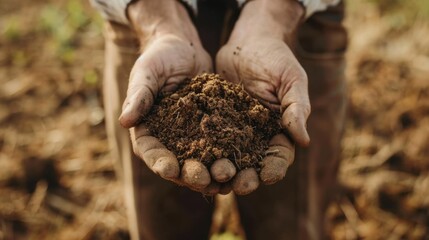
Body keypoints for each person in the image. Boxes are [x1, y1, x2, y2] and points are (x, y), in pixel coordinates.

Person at [91, 0, 347, 239]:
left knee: (290, 226)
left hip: (294, 18)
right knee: (163, 224)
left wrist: (273, 14)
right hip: (146, 17)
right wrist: (158, 22)